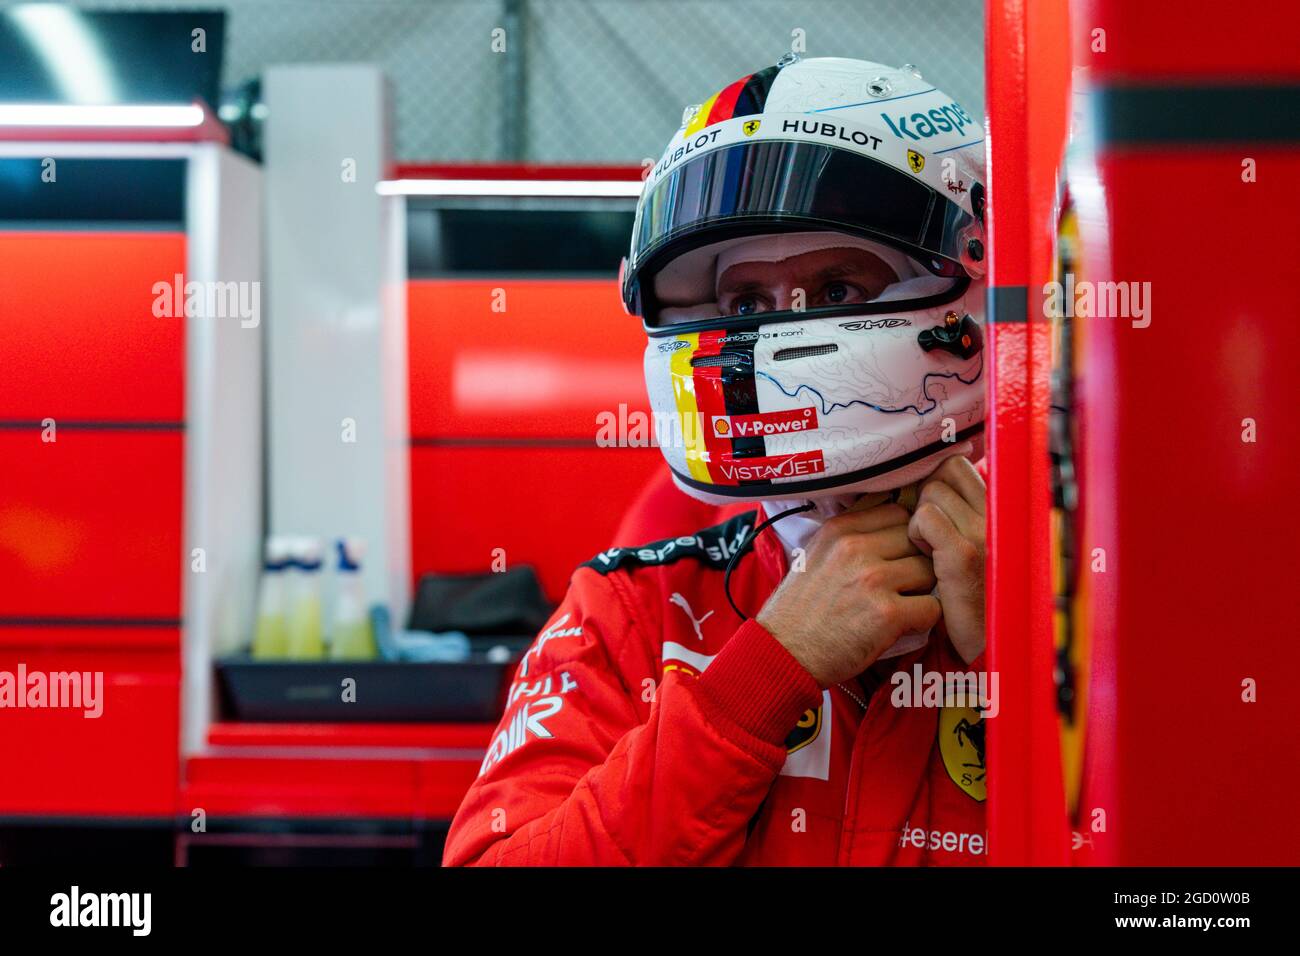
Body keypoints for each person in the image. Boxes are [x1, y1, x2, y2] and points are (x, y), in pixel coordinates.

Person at [443, 55, 990, 866]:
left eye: (835, 290)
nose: (775, 331)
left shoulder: (1071, 590)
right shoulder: (637, 611)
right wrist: (764, 678)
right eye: (745, 304)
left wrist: (1019, 667)